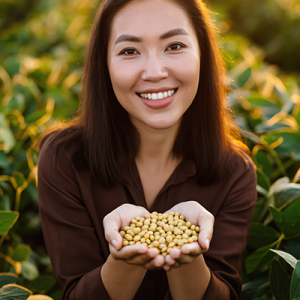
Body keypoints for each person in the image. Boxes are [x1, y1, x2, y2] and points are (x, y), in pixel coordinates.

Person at [37, 0, 257, 299]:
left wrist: (187, 257)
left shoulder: (235, 170)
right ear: (104, 64)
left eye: (174, 46)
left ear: (203, 55)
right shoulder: (64, 158)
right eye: (129, 51)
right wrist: (124, 259)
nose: (154, 72)